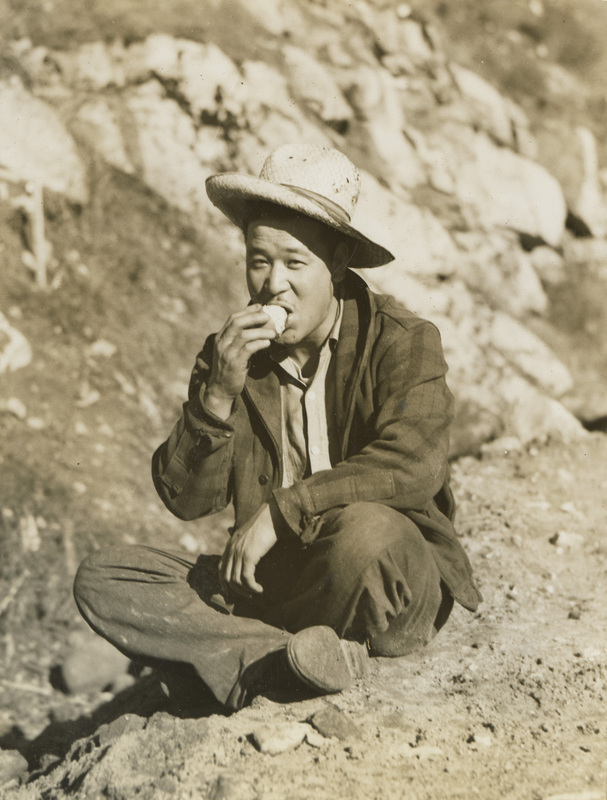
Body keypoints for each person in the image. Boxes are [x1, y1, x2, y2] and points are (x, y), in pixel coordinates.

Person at [74, 144, 481, 712]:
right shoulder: (231, 356)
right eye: (258, 260)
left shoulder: (402, 341)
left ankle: (241, 662)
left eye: (294, 263)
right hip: (272, 585)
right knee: (106, 577)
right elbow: (188, 501)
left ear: (338, 264)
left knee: (368, 535)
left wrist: (283, 512)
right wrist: (217, 395)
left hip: (375, 574)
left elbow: (413, 463)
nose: (272, 284)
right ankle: (285, 661)